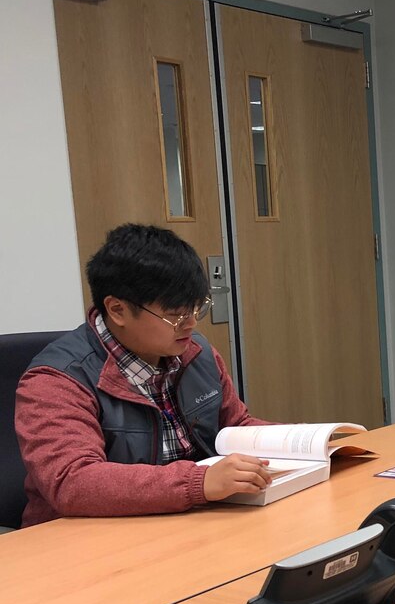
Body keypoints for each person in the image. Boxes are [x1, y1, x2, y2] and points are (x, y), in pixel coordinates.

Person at [16, 224, 276, 526]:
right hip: (90, 540)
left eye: (196, 308)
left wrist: (316, 442)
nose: (191, 323)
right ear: (117, 310)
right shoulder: (56, 380)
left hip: (189, 520)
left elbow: (236, 426)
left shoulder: (196, 353)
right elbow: (73, 481)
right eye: (176, 314)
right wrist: (198, 482)